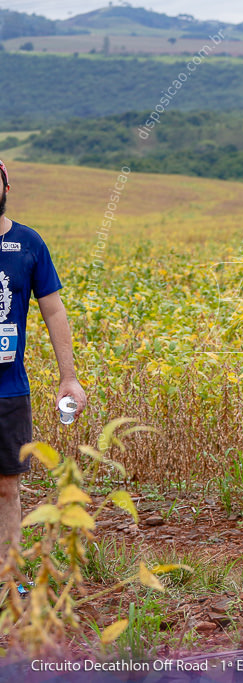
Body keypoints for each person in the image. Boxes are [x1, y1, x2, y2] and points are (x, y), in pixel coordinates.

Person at [0, 158, 87, 562]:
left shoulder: (29, 244)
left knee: (7, 486)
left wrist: (68, 378)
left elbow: (54, 311)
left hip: (9, 389)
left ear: (7, 188)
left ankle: (8, 574)